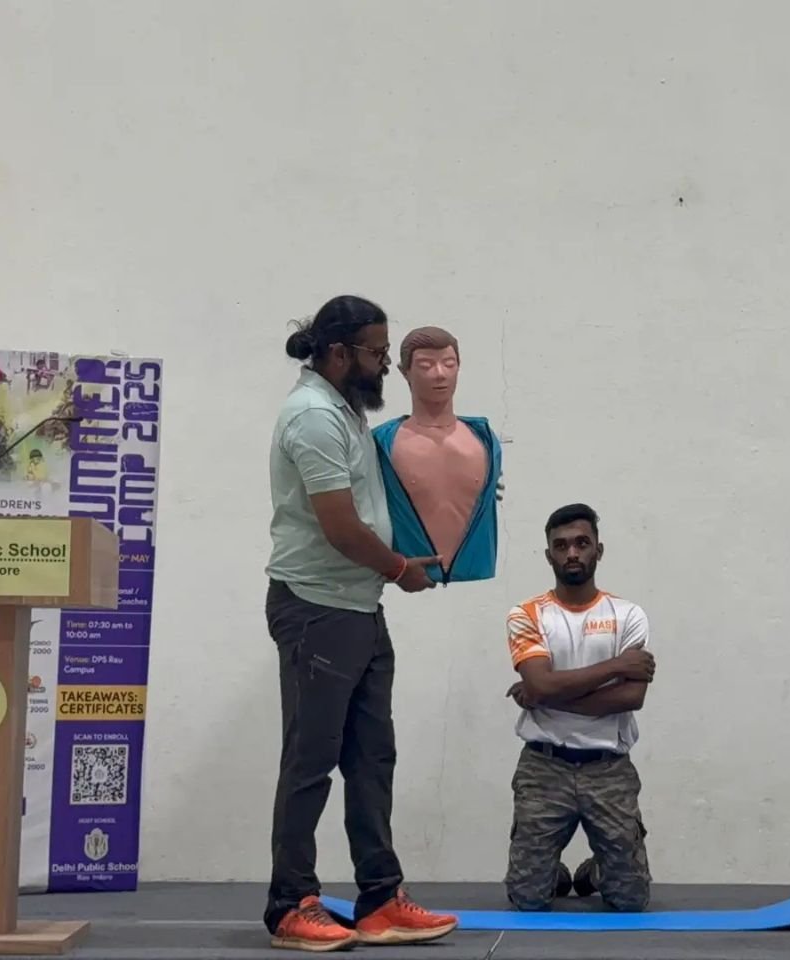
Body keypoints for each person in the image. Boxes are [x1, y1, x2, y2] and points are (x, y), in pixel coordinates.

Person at [263, 294, 458, 952]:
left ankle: (379, 898)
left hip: (356, 608)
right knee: (311, 762)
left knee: (372, 759)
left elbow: (380, 500)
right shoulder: (313, 417)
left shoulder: (344, 412)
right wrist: (401, 567)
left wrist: (461, 501)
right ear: (339, 351)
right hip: (317, 609)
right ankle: (291, 904)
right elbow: (342, 527)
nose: (385, 365)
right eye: (378, 352)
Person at [502, 503, 655, 913]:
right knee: (528, 899)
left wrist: (545, 695)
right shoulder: (526, 614)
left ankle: (597, 872)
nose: (572, 553)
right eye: (562, 545)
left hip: (609, 767)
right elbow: (542, 682)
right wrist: (617, 666)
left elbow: (631, 697)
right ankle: (550, 871)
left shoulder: (628, 615)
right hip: (543, 767)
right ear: (549, 554)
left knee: (631, 901)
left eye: (582, 544)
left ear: (598, 551)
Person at [372, 326, 504, 584]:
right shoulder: (381, 443)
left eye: (449, 363)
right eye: (425, 365)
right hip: (409, 575)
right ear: (404, 371)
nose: (439, 374)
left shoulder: (484, 439)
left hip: (475, 574)